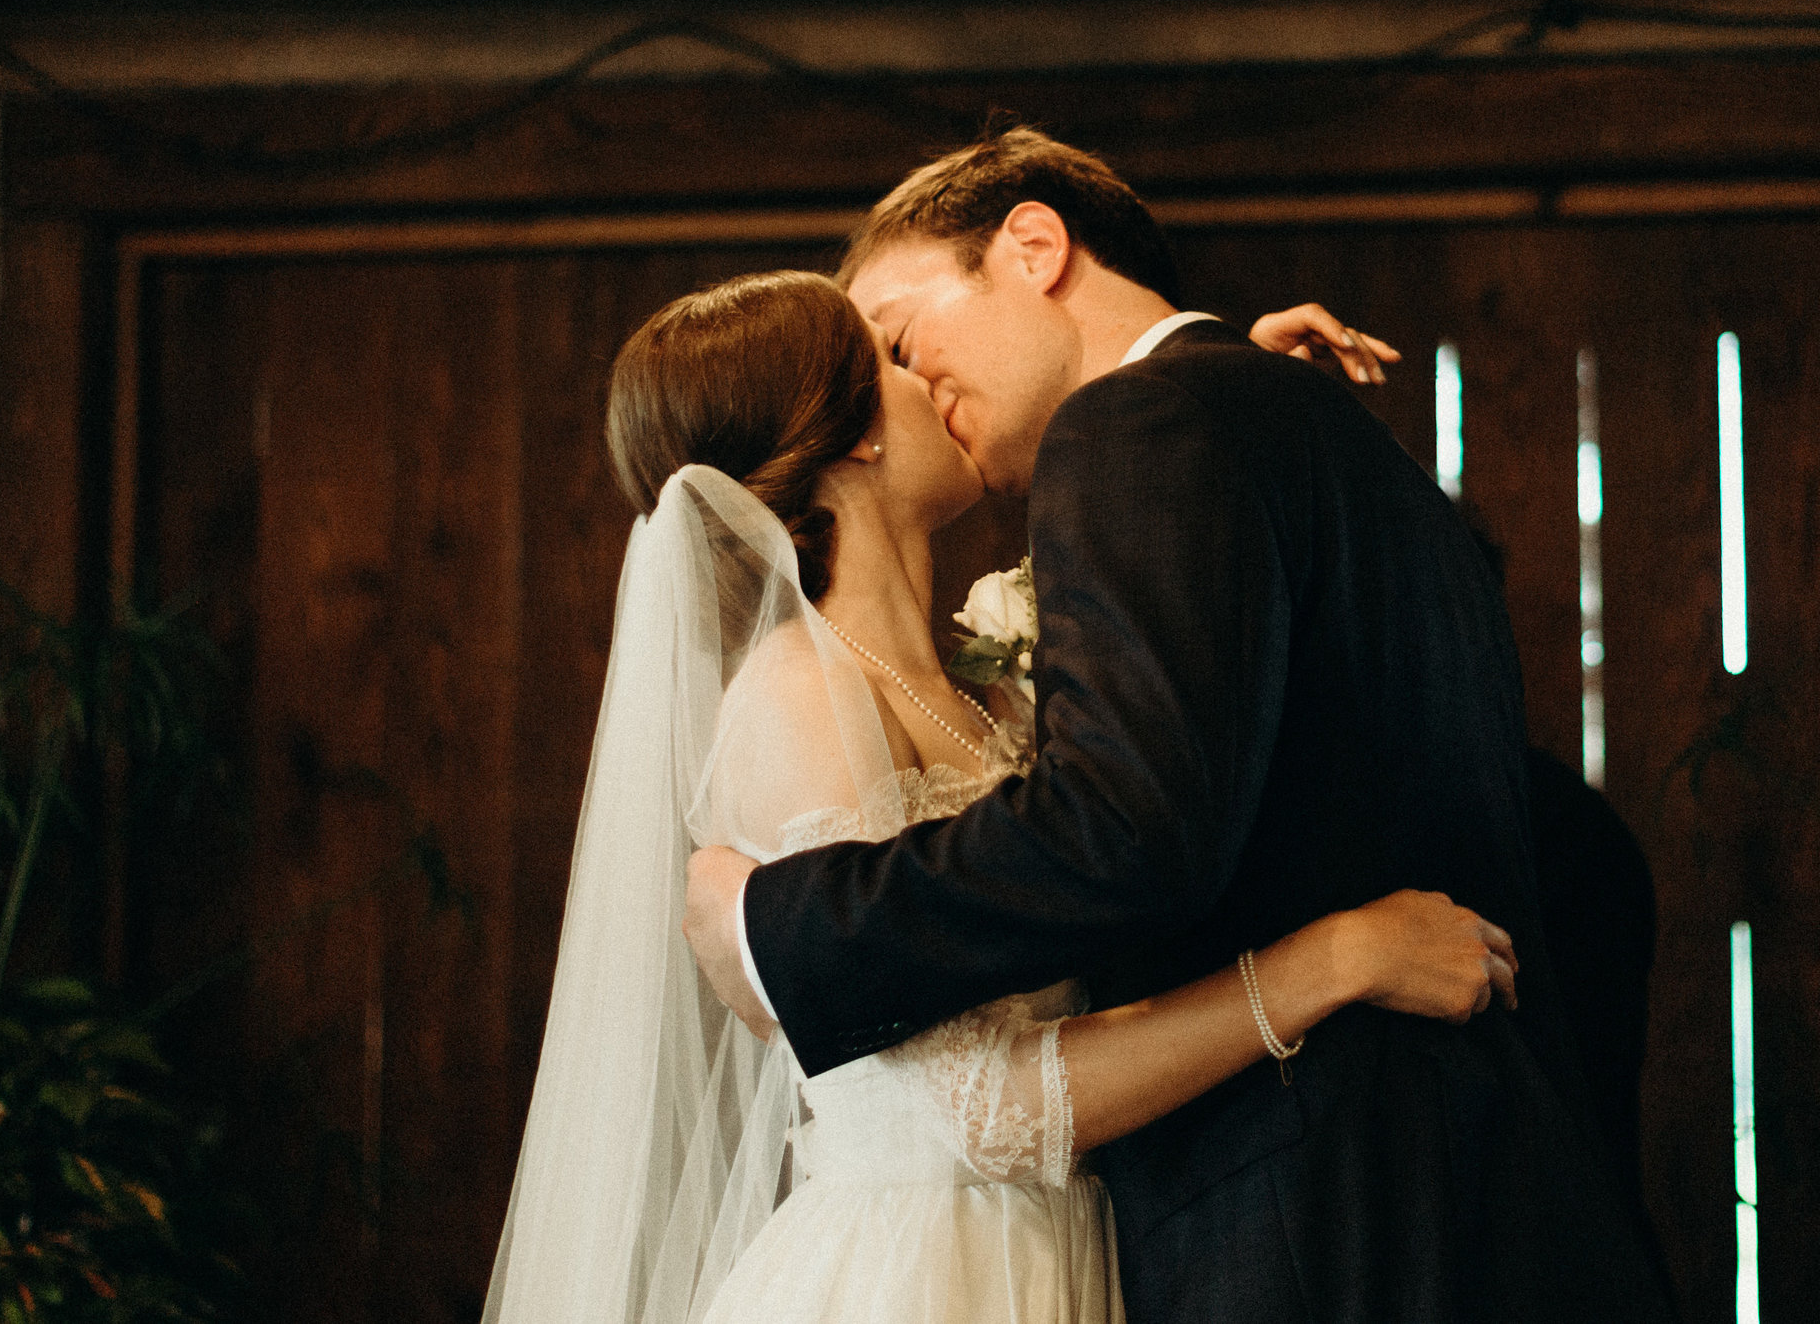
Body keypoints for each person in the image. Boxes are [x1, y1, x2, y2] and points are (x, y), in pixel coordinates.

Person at [682, 129, 1677, 1322]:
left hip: (1310, 1212)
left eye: (898, 335)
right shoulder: (1286, 426)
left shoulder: (1141, 428)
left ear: (1034, 247)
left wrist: (776, 928)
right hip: (1444, 1185)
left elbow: (1124, 826)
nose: (906, 384)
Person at [483, 267, 1523, 1324]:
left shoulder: (977, 689)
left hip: (1066, 1249)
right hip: (925, 1276)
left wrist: (1241, 403)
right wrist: (1327, 965)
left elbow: (1136, 783)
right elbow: (968, 1112)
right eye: (892, 357)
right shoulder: (796, 698)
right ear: (857, 439)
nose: (929, 371)